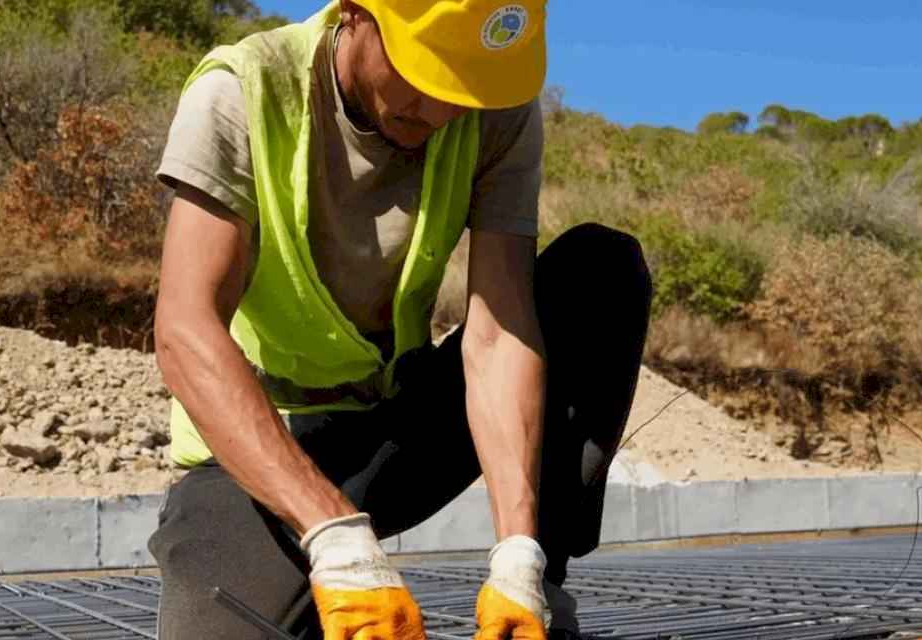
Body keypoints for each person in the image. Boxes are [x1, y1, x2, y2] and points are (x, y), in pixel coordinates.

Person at [149, 0, 652, 638]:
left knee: (599, 273)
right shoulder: (240, 91)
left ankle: (540, 588)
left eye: (460, 89)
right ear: (357, 13)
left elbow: (499, 335)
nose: (440, 111)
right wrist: (335, 537)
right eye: (426, 74)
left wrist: (520, 552)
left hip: (394, 427)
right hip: (259, 446)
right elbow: (185, 331)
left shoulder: (491, 105)